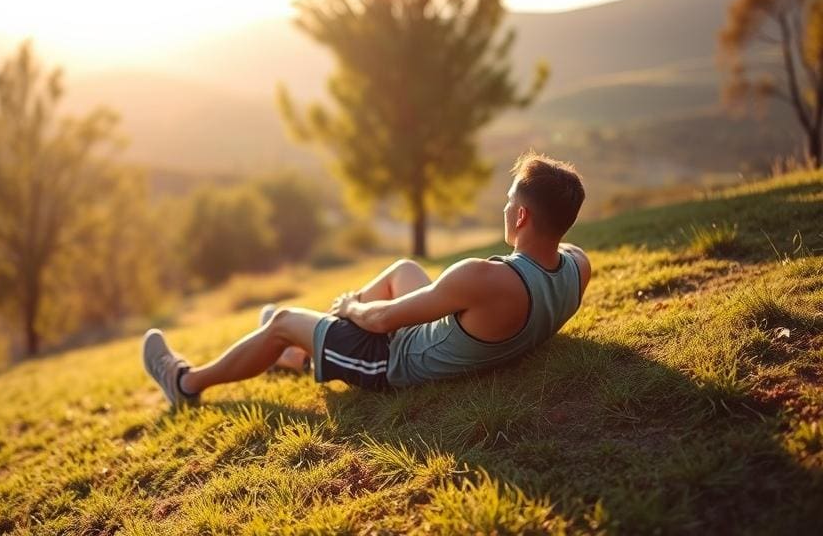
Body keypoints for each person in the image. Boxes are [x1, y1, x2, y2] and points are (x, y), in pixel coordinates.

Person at [143, 151, 590, 408]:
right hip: (457, 335)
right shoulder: (576, 266)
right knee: (404, 270)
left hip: (394, 362)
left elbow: (381, 323)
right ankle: (305, 350)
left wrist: (348, 310)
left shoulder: (483, 278)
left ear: (523, 214)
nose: (505, 207)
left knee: (280, 320)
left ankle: (186, 383)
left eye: (509, 200)